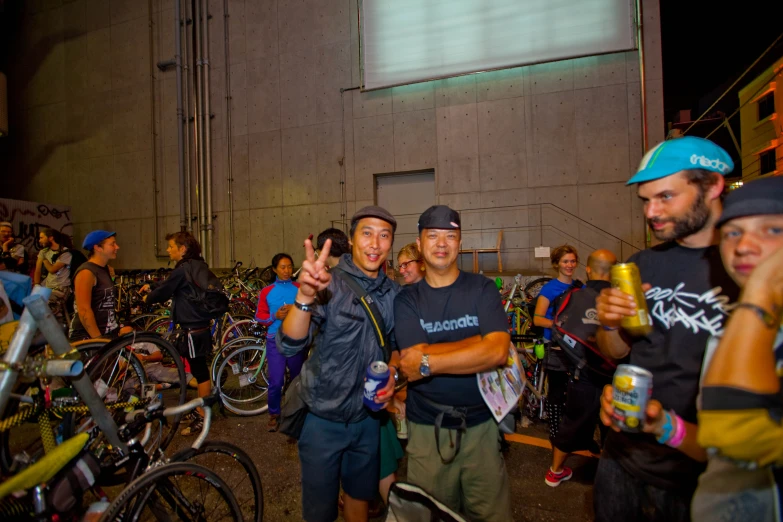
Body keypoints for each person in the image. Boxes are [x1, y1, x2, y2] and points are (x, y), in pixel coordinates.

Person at [594, 136, 740, 522]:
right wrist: (609, 323)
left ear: (712, 186)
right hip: (622, 457)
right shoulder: (644, 264)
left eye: (665, 197)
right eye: (645, 200)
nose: (651, 212)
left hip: (703, 474)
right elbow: (617, 351)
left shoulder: (746, 267)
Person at [278, 206, 399, 522]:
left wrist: (394, 375)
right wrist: (304, 295)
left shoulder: (394, 294)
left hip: (368, 420)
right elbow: (289, 343)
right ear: (352, 239)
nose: (375, 243)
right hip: (322, 420)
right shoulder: (329, 283)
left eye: (384, 236)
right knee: (320, 511)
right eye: (367, 233)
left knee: (359, 499)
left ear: (391, 244)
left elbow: (397, 349)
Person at [394, 205, 512, 521]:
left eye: (450, 235)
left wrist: (430, 357)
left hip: (482, 428)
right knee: (429, 515)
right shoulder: (407, 299)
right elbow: (410, 365)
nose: (442, 243)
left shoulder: (482, 288)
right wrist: (478, 344)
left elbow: (499, 351)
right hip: (426, 430)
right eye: (433, 235)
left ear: (459, 242)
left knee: (492, 515)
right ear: (419, 244)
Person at [691, 176, 783, 521]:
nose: (744, 246)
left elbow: (735, 434)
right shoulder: (739, 328)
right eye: (732, 233)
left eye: (772, 230)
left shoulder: (750, 316)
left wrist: (759, 289)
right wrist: (666, 429)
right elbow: (717, 450)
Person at [545, 249, 616, 487]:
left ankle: (555, 471)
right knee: (614, 427)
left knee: (572, 422)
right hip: (615, 376)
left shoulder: (574, 295)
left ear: (587, 268)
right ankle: (610, 477)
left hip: (582, 371)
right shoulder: (622, 299)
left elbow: (558, 326)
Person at [140, 232, 216, 436]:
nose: (167, 250)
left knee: (200, 371)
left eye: (171, 246)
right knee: (198, 368)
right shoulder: (197, 265)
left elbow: (165, 290)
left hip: (193, 328)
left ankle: (203, 413)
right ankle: (202, 408)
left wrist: (148, 297)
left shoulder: (183, 268)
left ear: (182, 249)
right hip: (199, 325)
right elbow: (173, 285)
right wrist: (156, 286)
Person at [533, 244, 580, 443]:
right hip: (555, 345)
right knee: (556, 390)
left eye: (572, 261)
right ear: (556, 264)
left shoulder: (580, 287)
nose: (569, 265)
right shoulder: (549, 289)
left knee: (576, 391)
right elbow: (537, 319)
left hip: (576, 347)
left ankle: (572, 430)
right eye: (565, 261)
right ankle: (555, 431)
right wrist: (559, 324)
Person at [254, 253, 305, 432]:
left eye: (290, 266)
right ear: (275, 269)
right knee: (276, 381)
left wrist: (297, 309)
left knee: (297, 380)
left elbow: (310, 310)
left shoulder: (299, 288)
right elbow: (259, 316)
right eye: (282, 267)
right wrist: (275, 316)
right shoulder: (266, 291)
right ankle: (274, 414)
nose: (287, 270)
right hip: (275, 340)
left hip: (296, 339)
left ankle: (296, 415)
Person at [69, 231, 130, 341]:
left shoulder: (105, 269)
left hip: (108, 332)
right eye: (112, 244)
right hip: (89, 337)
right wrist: (99, 340)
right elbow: (84, 310)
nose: (117, 247)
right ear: (97, 247)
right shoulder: (86, 272)